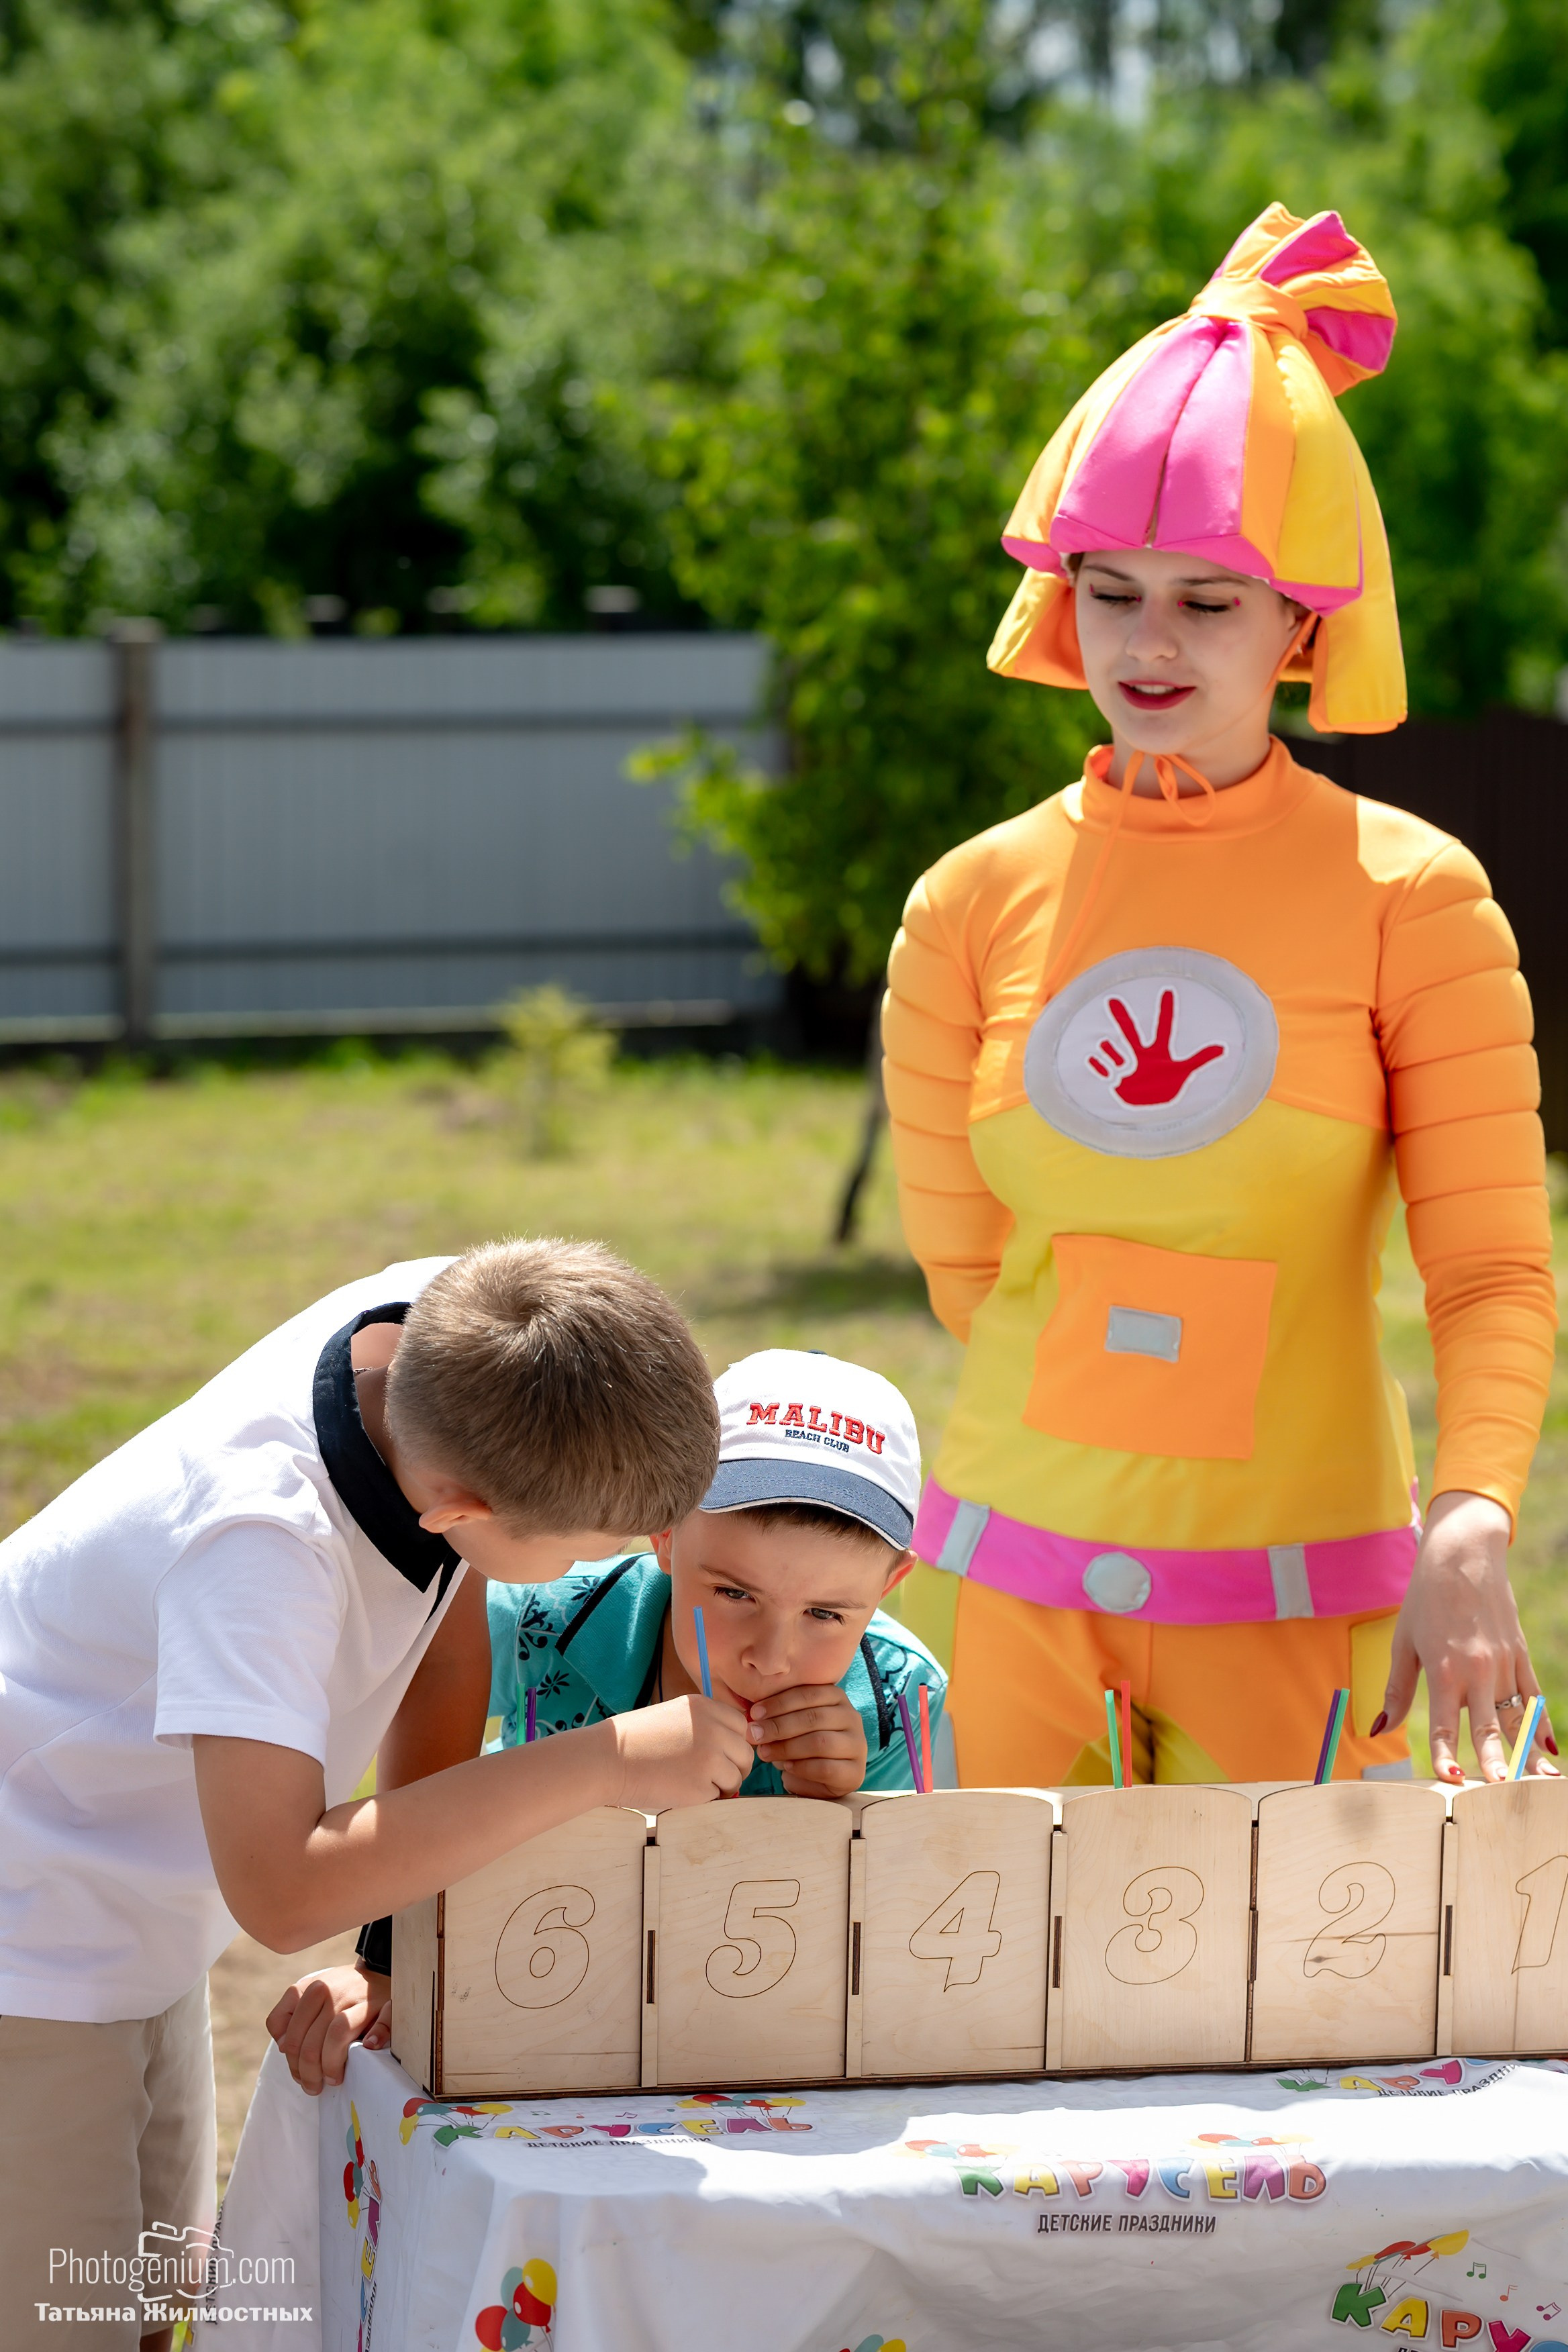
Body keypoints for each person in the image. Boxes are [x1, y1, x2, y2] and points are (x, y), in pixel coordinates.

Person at [882, 203, 1558, 1796]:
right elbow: (968, 1274)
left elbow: (1488, 1273)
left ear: (1300, 621)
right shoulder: (964, 901)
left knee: (1311, 2044)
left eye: (1208, 597)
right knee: (989, 2022)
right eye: (1110, 589)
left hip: (1307, 1610)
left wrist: (1465, 1512)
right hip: (1002, 1597)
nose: (1146, 642)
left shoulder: (1414, 893)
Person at [0, 1240, 742, 2352]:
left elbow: (440, 1643)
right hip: (33, 1942)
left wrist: (397, 1945)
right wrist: (605, 1760)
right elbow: (284, 1889)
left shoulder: (462, 1332)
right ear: (461, 1504)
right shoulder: (263, 1550)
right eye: (608, 1544)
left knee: (158, 2294)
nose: (651, 1552)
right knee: (68, 2320)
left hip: (135, 1911)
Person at [269, 1346, 946, 2090]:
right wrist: (389, 1963)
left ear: (890, 1583)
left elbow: (900, 1943)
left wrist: (849, 1805)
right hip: (529, 2007)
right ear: (665, 1531)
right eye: (732, 1594)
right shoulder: (538, 1620)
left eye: (825, 1613)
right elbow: (424, 1764)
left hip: (764, 2050)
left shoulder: (897, 1697)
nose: (771, 1657)